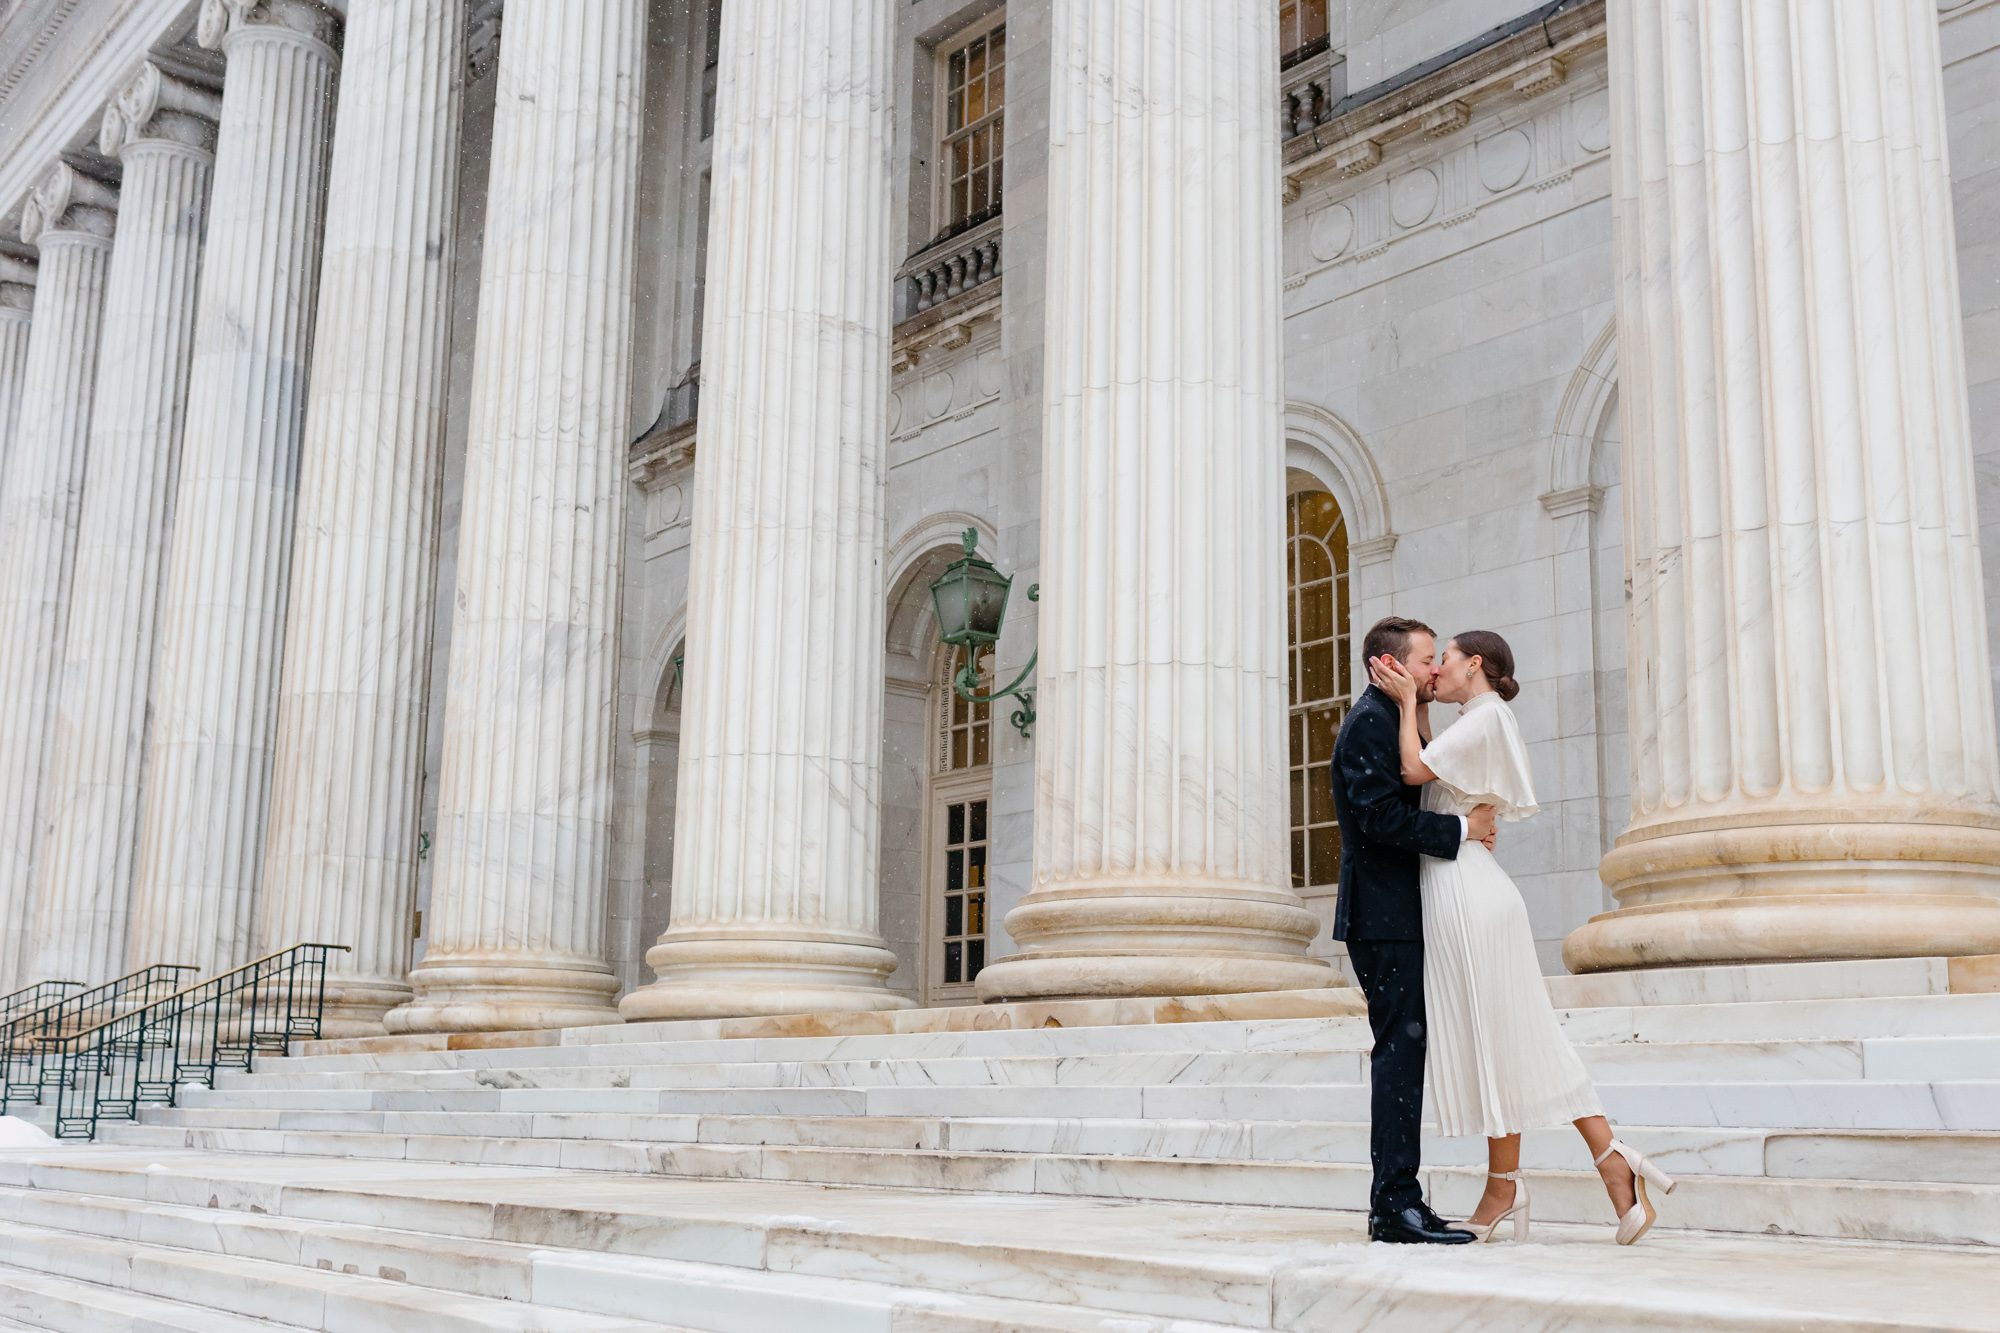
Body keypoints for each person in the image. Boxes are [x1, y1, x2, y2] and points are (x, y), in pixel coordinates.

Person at [1369, 628, 1676, 1245]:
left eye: (1444, 660)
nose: (1435, 671)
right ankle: (1516, 1182)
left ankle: (1601, 1159)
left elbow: (1409, 769)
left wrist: (1405, 705)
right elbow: (1443, 793)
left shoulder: (1485, 718)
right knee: (1500, 1042)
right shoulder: (1479, 720)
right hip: (1463, 888)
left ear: (1473, 663)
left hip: (1468, 896)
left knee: (1513, 1036)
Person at [1329, 616, 1494, 1245]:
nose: (1434, 669)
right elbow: (1377, 820)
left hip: (1400, 909)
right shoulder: (1368, 721)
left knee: (1407, 1051)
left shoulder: (1392, 715)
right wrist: (1462, 831)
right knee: (1399, 1054)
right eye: (1426, 658)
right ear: (1390, 664)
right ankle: (1393, 1207)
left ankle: (1401, 1200)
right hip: (1383, 913)